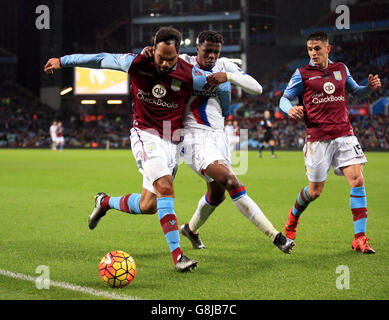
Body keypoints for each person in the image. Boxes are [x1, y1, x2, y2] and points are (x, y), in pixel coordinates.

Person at [44, 27, 231, 272]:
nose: (164, 63)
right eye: (160, 58)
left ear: (179, 55)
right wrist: (62, 61)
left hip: (172, 142)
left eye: (170, 59)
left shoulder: (190, 74)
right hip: (145, 135)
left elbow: (222, 88)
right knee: (165, 186)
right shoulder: (136, 62)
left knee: (148, 206)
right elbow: (100, 59)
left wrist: (227, 88)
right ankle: (178, 257)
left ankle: (105, 202)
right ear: (153, 49)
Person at [142, 31, 295, 253]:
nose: (212, 55)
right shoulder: (184, 61)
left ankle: (191, 230)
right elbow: (161, 62)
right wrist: (149, 52)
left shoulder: (225, 65)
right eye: (207, 51)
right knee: (231, 181)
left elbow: (257, 88)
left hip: (219, 137)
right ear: (197, 48)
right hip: (192, 137)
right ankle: (276, 236)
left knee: (217, 194)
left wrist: (229, 76)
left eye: (216, 51)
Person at [279, 31, 381, 253]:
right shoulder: (302, 74)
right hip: (318, 138)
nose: (313, 53)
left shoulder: (341, 69)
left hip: (344, 134)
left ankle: (360, 238)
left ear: (328, 49)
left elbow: (356, 92)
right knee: (315, 191)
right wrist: (290, 109)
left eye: (317, 48)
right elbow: (284, 99)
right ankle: (293, 216)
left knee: (357, 181)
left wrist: (370, 88)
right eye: (309, 49)